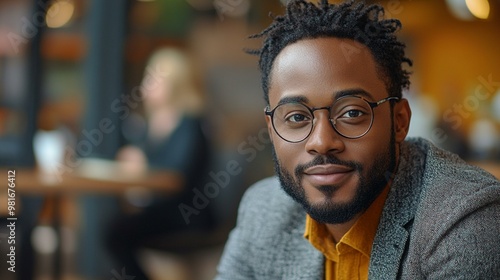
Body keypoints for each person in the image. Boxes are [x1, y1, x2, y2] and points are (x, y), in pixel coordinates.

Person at [215, 1, 500, 279]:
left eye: (352, 112)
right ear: (271, 127)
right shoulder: (261, 209)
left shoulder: (463, 221)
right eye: (297, 118)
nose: (322, 142)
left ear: (399, 121)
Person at [105, 47, 214, 280]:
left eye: (155, 79)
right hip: (159, 209)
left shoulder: (190, 123)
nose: (147, 85)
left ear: (176, 84)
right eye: (148, 77)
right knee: (115, 228)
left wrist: (142, 166)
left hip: (186, 213)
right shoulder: (150, 122)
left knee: (116, 232)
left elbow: (178, 176)